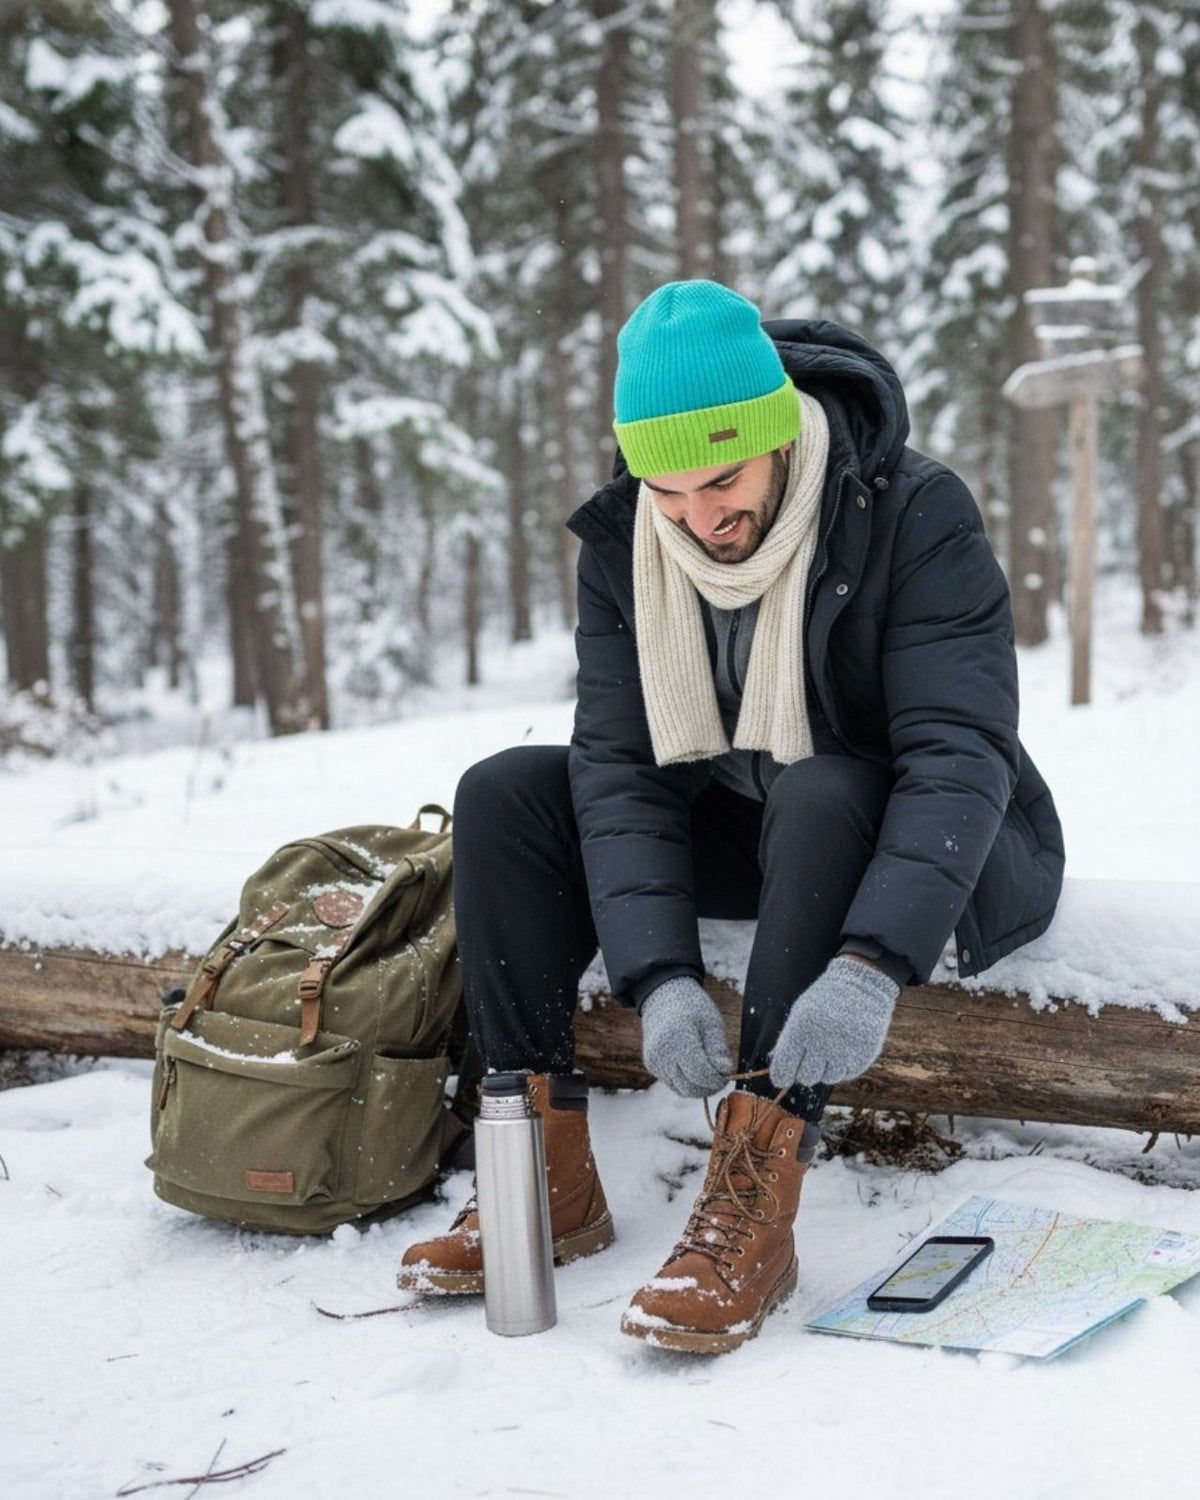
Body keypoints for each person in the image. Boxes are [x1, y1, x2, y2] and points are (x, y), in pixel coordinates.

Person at [398, 279, 1064, 1353]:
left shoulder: (912, 509)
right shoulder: (628, 540)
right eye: (667, 494)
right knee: (502, 794)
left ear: (778, 439)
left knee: (822, 783)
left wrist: (871, 966)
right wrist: (658, 977)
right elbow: (618, 766)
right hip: (742, 830)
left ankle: (755, 1186)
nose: (699, 521)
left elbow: (959, 754)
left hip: (907, 838)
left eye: (722, 482)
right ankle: (538, 1172)